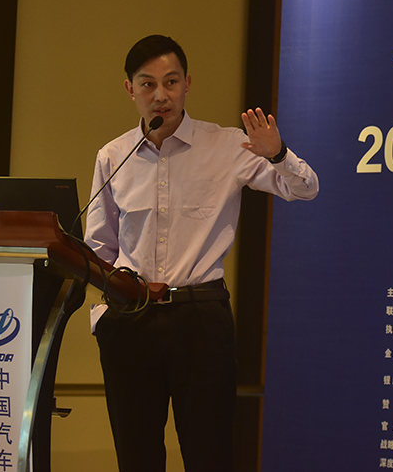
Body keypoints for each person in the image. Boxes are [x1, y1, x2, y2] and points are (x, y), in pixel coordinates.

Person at [84, 34, 318, 472]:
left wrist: (278, 154)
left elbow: (304, 189)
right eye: (148, 84)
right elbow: (99, 247)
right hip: (131, 320)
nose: (161, 95)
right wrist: (106, 317)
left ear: (187, 84)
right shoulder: (113, 156)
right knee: (136, 458)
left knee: (209, 455)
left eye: (171, 82)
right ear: (130, 89)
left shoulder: (228, 146)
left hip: (201, 320)